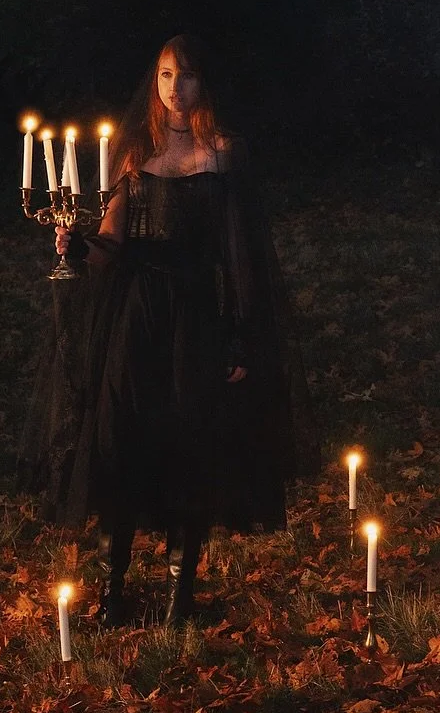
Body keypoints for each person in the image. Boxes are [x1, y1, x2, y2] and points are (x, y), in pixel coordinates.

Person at [20, 35, 317, 626]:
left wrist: (238, 334)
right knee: (123, 438)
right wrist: (75, 246)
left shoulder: (224, 151)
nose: (172, 88)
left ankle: (181, 597)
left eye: (183, 75)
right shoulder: (133, 150)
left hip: (195, 314)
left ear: (204, 81)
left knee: (190, 443)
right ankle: (114, 591)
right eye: (162, 75)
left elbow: (240, 254)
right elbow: (112, 242)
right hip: (135, 314)